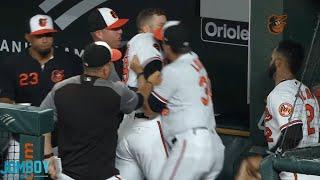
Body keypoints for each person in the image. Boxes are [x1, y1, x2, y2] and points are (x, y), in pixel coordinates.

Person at [41, 41, 150, 179]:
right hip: (103, 176)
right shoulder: (117, 91)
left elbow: (41, 122)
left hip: (67, 175)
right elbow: (142, 98)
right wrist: (141, 73)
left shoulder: (60, 88)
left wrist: (48, 156)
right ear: (106, 69)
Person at [130, 21, 225, 180]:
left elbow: (149, 110)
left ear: (167, 46)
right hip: (214, 144)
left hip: (192, 145)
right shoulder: (196, 60)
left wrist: (141, 75)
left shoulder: (173, 71)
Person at [236, 40, 320, 180]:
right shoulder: (306, 91)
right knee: (249, 168)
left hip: (294, 172)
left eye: (272, 59)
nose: (270, 63)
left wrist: (272, 157)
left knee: (248, 167)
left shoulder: (280, 93)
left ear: (278, 62)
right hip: (310, 169)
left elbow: (293, 132)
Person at [115, 8, 167, 180]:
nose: (165, 29)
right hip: (148, 125)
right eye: (161, 25)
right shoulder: (146, 39)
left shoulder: (133, 43)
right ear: (145, 28)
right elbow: (153, 70)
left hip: (127, 125)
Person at [0, 14, 83, 106]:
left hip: (62, 118)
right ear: (28, 37)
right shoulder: (13, 63)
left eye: (48, 35)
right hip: (26, 117)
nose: (45, 40)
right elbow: (6, 96)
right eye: (39, 36)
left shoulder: (71, 61)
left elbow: (82, 93)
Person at [87, 7, 128, 81]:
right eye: (115, 28)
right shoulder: (94, 63)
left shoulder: (128, 48)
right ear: (99, 34)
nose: (120, 31)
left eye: (120, 27)